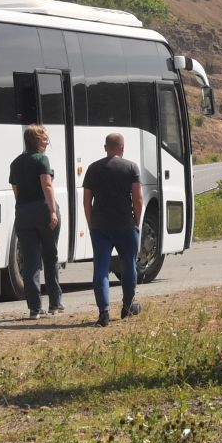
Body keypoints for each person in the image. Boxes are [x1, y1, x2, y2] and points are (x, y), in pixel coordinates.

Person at [81, 131, 144, 326]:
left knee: (100, 268)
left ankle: (104, 313)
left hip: (100, 226)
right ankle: (127, 307)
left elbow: (86, 200)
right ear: (122, 148)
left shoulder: (93, 168)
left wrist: (91, 223)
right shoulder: (131, 167)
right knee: (129, 265)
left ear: (105, 148)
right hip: (125, 225)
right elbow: (138, 198)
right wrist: (137, 220)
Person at [8, 125, 64, 319]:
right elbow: (47, 185)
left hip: (23, 213)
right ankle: (55, 304)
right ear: (37, 140)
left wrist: (24, 207)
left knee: (30, 260)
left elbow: (15, 190)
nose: (47, 141)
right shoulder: (42, 160)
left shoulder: (15, 163)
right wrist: (52, 211)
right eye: (44, 138)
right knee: (50, 256)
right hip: (43, 211)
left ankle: (34, 308)